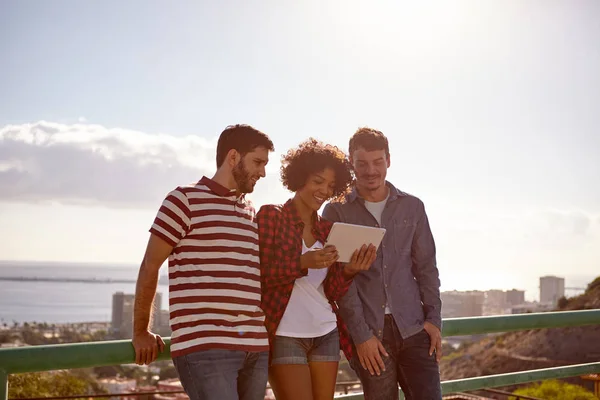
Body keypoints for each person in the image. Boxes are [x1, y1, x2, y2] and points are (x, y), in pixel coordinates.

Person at [131, 124, 275, 400]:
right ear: (233, 157)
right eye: (257, 162)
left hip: (255, 346)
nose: (263, 172)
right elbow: (150, 266)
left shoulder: (250, 211)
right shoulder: (183, 200)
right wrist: (140, 331)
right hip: (205, 347)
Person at [322, 127, 443, 400]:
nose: (370, 171)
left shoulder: (412, 207)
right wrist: (361, 336)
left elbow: (426, 268)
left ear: (388, 160)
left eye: (377, 162)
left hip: (414, 329)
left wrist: (434, 320)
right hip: (370, 336)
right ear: (351, 163)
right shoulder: (336, 211)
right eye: (362, 163)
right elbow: (338, 279)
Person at [257, 138, 377, 400]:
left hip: (326, 332)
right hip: (285, 334)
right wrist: (302, 263)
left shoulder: (327, 230)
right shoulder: (271, 216)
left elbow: (330, 291)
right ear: (300, 177)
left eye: (331, 186)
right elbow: (260, 275)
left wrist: (349, 271)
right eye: (318, 181)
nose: (324, 190)